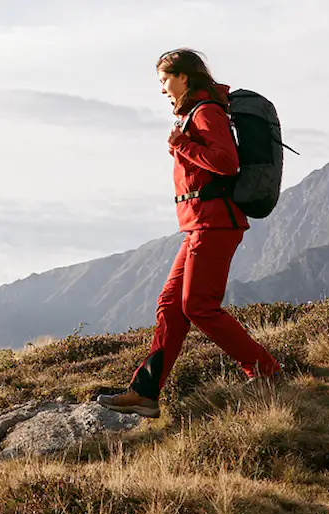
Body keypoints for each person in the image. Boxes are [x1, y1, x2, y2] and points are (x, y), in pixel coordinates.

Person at [96, 49, 281, 419]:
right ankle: (145, 393)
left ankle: (265, 372)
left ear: (184, 77)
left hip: (216, 222)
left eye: (165, 80)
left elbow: (226, 163)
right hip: (200, 222)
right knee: (171, 305)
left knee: (198, 306)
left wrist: (182, 145)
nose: (162, 88)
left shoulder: (206, 112)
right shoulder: (196, 112)